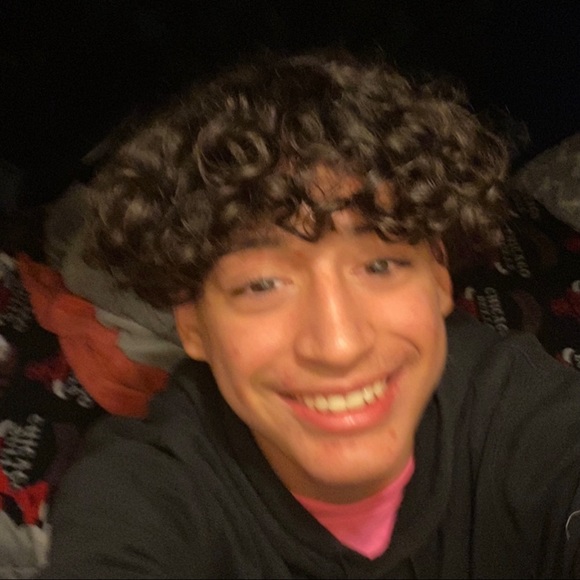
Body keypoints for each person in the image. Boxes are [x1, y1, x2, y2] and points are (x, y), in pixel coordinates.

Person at [36, 49, 580, 579]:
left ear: (439, 276)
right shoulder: (142, 493)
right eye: (262, 285)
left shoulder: (518, 408)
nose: (339, 345)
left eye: (380, 265)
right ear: (193, 323)